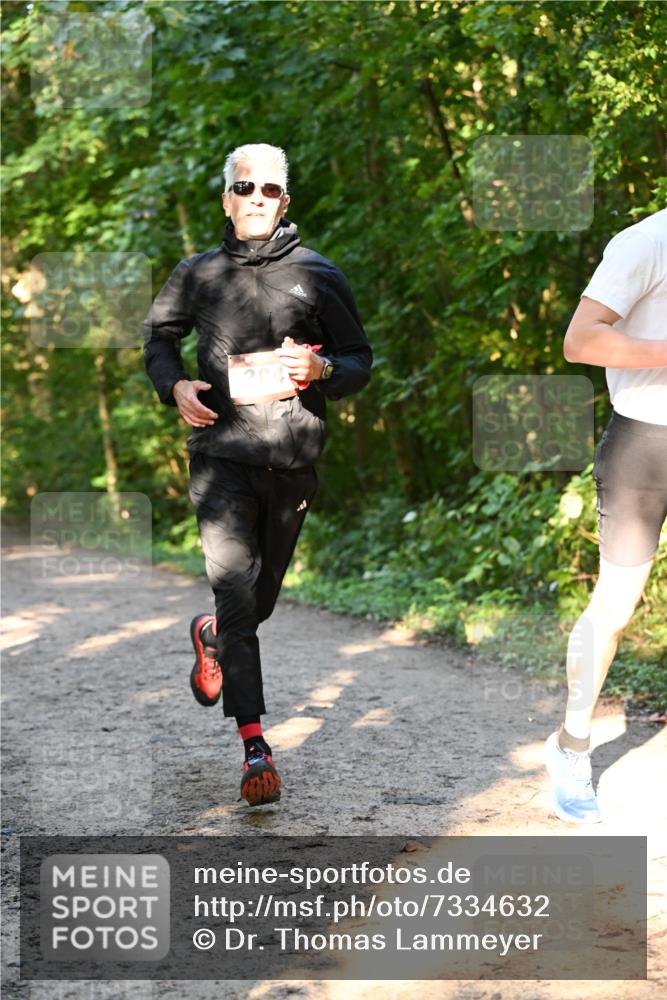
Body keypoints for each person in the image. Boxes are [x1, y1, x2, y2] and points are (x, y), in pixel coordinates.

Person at [143, 143, 372, 806]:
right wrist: (174, 386)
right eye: (244, 187)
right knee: (237, 595)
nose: (255, 198)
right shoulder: (197, 274)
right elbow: (159, 340)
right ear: (225, 197)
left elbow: (359, 358)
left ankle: (211, 637)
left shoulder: (317, 275)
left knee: (257, 602)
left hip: (293, 462)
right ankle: (254, 745)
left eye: (269, 189)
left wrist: (322, 372)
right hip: (220, 459)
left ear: (284, 201)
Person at [544, 208, 667, 823]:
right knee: (616, 611)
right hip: (646, 446)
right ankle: (571, 746)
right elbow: (580, 339)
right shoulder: (647, 239)